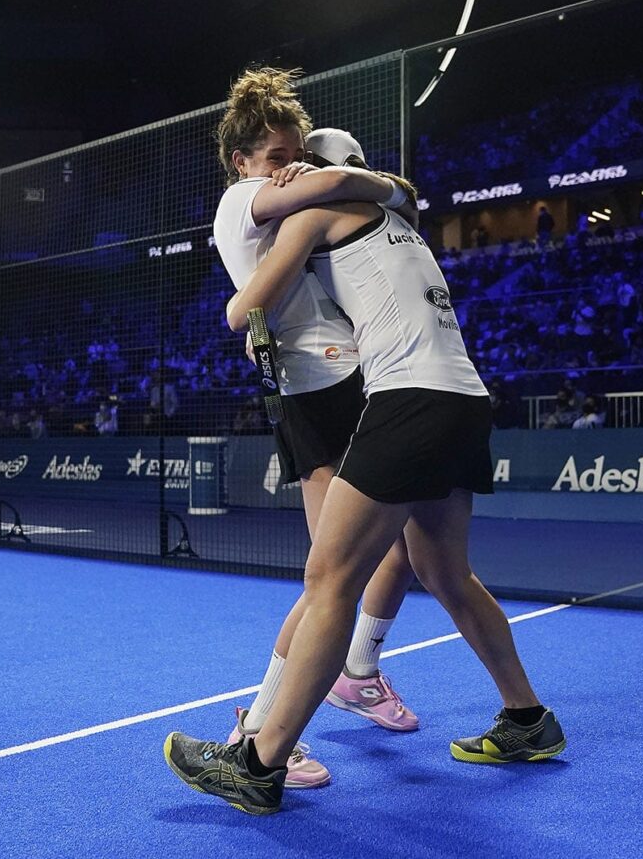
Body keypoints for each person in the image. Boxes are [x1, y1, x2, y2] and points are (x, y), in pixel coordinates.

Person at [167, 127, 564, 816]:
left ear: (317, 173)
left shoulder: (318, 213)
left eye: (296, 167)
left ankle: (258, 763)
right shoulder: (405, 227)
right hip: (465, 398)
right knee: (446, 573)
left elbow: (242, 308)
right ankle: (528, 718)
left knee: (329, 580)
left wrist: (264, 319)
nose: (285, 178)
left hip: (407, 400)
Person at [205, 71, 425, 791]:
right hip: (321, 393)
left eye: (296, 153)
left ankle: (356, 671)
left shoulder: (286, 203)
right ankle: (258, 730)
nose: (290, 167)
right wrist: (375, 183)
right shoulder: (242, 200)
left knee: (391, 553)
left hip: (340, 383)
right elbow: (341, 188)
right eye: (276, 156)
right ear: (240, 161)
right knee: (332, 574)